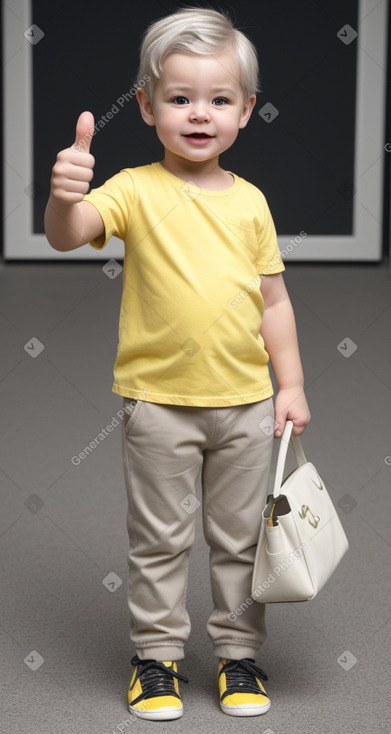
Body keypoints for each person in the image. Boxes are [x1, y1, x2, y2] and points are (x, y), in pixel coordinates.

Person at [45, 6, 310, 721]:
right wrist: (64, 196)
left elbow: (273, 302)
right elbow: (70, 236)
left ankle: (237, 657)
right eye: (180, 98)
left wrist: (290, 384)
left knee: (239, 540)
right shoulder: (133, 189)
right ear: (146, 105)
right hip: (157, 405)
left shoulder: (251, 204)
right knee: (158, 541)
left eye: (219, 100)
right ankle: (156, 660)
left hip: (246, 405)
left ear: (246, 111)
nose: (200, 115)